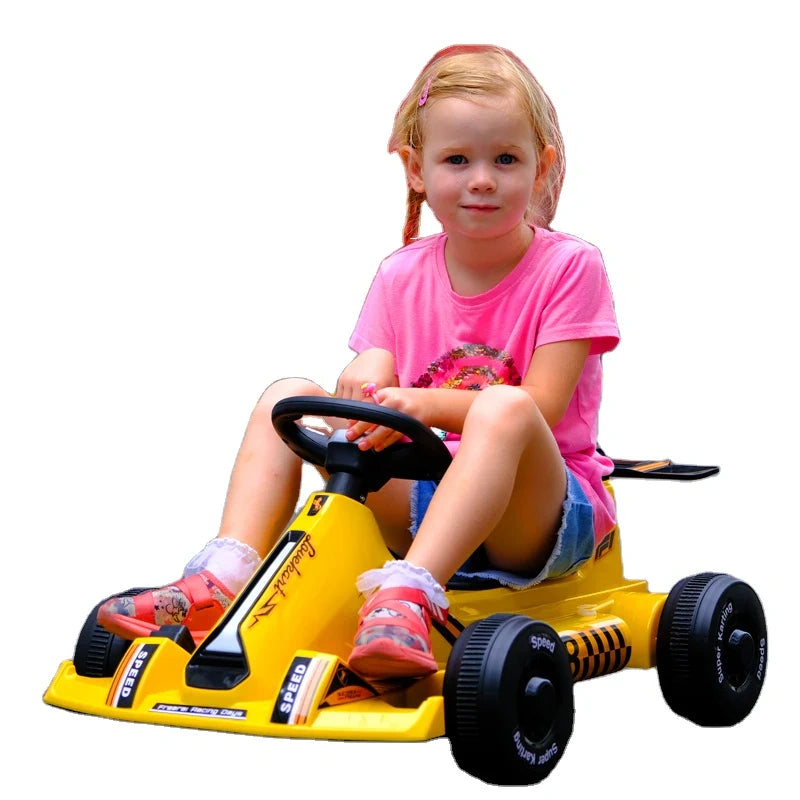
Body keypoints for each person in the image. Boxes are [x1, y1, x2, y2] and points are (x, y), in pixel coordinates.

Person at [97, 44, 620, 680]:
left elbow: (543, 404)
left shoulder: (570, 267)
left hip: (536, 514)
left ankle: (410, 594)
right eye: (457, 160)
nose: (482, 178)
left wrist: (421, 404)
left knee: (505, 407)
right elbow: (374, 367)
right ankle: (226, 576)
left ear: (541, 169)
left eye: (504, 160)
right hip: (426, 493)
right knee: (286, 396)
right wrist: (369, 387)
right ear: (417, 170)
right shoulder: (401, 274)